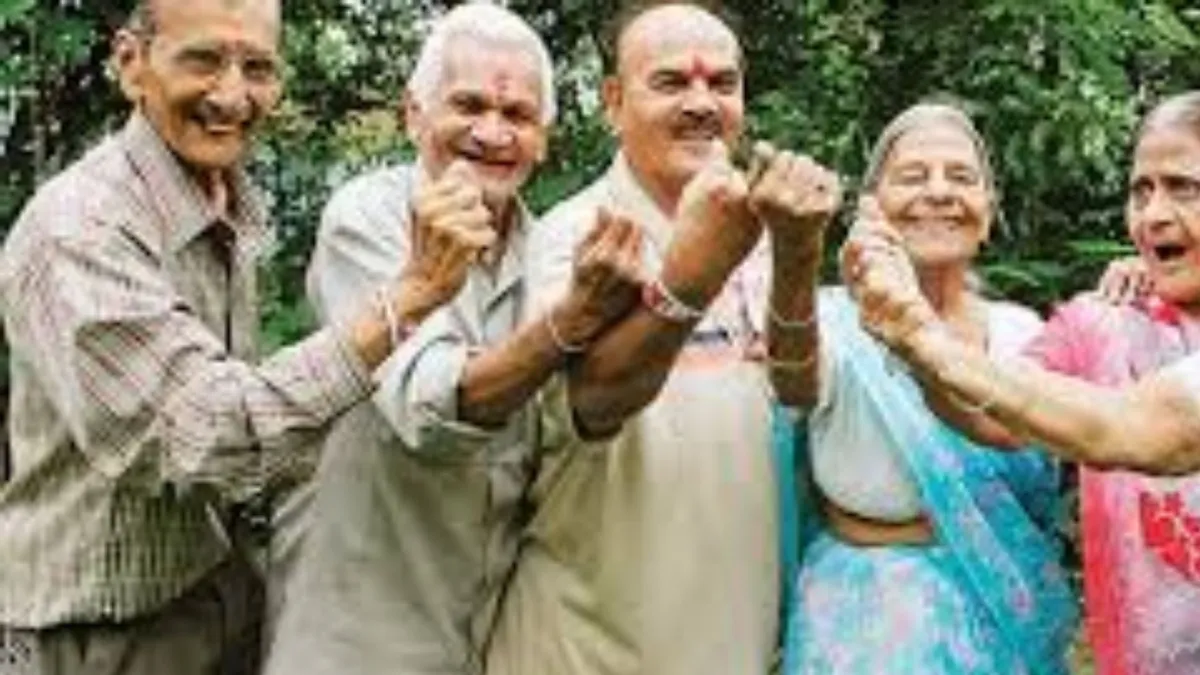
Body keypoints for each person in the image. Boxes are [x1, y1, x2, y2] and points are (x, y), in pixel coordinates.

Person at [0, 1, 489, 672]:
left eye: (257, 67)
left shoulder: (217, 196)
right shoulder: (81, 230)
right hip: (94, 640)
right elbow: (211, 434)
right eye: (203, 59)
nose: (233, 95)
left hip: (209, 601)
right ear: (131, 64)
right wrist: (407, 298)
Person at [263, 4, 643, 674]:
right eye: (468, 105)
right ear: (414, 115)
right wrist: (570, 324)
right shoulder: (368, 219)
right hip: (355, 640)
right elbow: (430, 411)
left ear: (543, 140)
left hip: (488, 636)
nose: (492, 133)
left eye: (517, 114)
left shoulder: (548, 249)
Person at [484, 3, 841, 674]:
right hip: (588, 642)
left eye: (722, 83)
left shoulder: (761, 228)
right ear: (613, 103)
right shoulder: (579, 234)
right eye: (671, 82)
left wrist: (797, 255)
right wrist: (691, 277)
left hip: (730, 635)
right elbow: (593, 401)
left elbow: (798, 390)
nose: (702, 103)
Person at [848, 91, 1200, 675]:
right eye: (1141, 191)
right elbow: (995, 418)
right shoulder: (1101, 322)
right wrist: (914, 349)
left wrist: (923, 339)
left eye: (1183, 188)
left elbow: (1139, 427)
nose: (1153, 215)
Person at [779, 103, 1076, 674]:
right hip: (865, 621)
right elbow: (791, 380)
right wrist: (794, 257)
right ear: (871, 207)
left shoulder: (1024, 332)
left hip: (1006, 604)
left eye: (961, 177)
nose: (939, 192)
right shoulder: (828, 322)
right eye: (914, 176)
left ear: (988, 211)